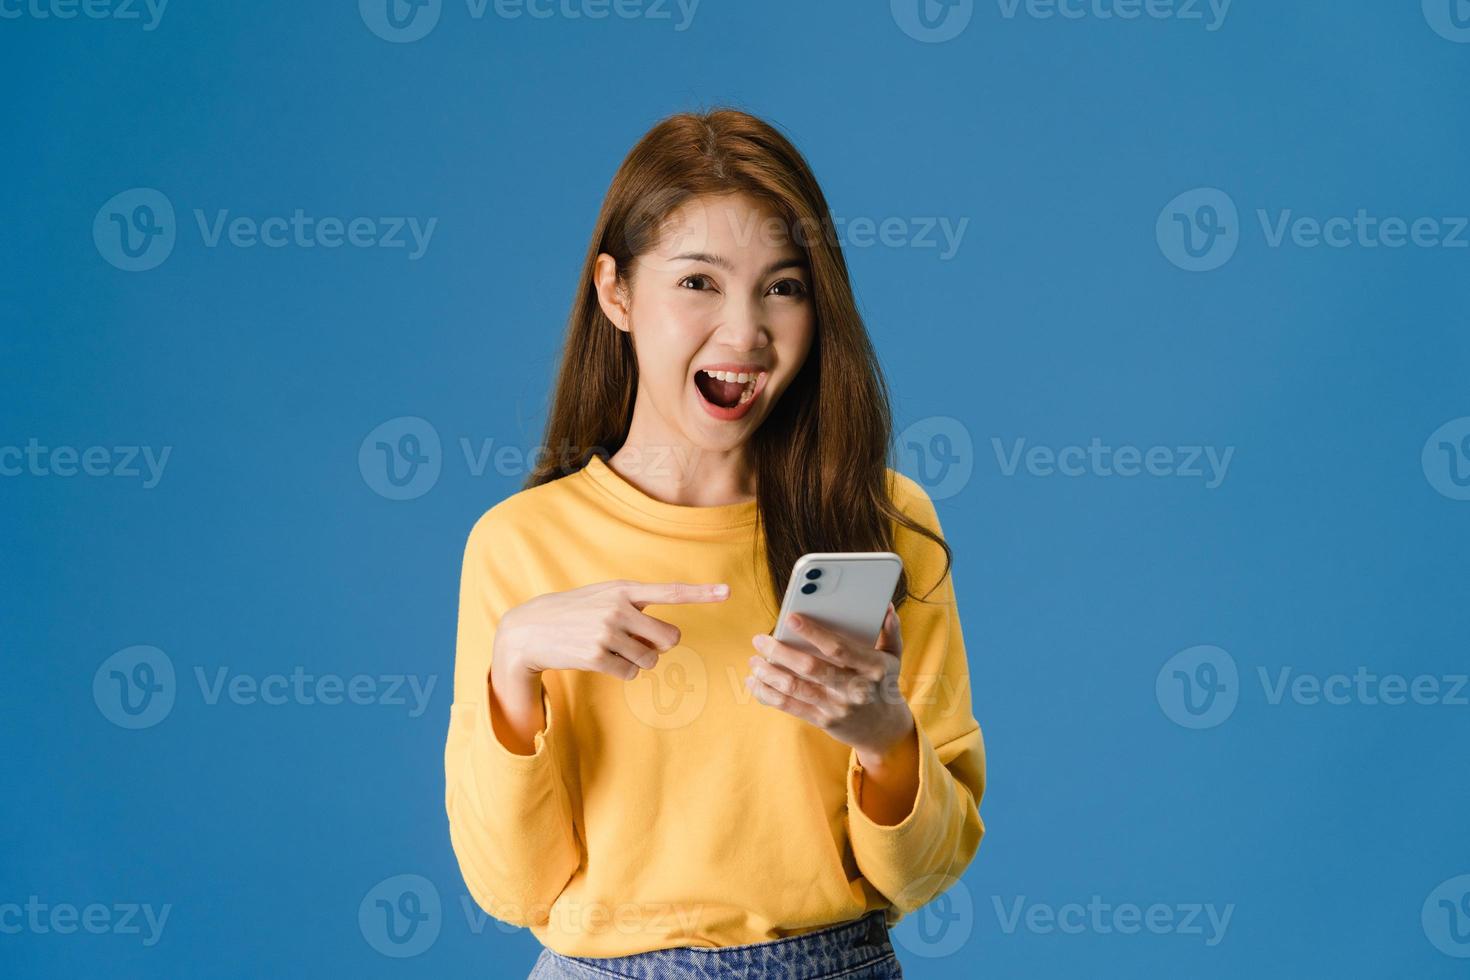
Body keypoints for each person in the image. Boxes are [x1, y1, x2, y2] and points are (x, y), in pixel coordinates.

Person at [444, 108, 985, 979]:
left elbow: (925, 872)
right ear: (615, 292)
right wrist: (514, 672)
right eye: (698, 283)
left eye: (784, 286)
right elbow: (514, 890)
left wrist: (886, 742)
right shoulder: (518, 546)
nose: (746, 333)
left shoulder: (880, 520)